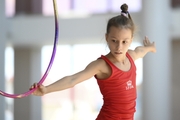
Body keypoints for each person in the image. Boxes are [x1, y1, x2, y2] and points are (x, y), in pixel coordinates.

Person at [30, 3, 156, 120]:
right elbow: (72, 79)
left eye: (124, 42)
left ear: (131, 39)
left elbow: (141, 50)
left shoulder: (131, 56)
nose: (119, 47)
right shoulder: (102, 65)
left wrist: (151, 47)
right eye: (114, 41)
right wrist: (46, 89)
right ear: (107, 38)